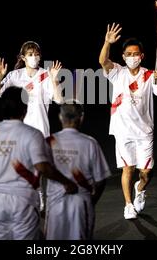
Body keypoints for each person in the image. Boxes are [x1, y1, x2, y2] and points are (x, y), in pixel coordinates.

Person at [0, 86, 78, 240]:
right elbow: (42, 167)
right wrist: (66, 182)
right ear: (25, 108)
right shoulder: (32, 134)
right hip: (23, 201)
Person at [99, 23, 157, 220]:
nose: (132, 57)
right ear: (123, 57)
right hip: (122, 130)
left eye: (135, 54)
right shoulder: (117, 72)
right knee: (127, 168)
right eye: (128, 54)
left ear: (142, 56)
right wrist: (107, 42)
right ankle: (128, 205)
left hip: (144, 131)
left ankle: (140, 188)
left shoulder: (149, 75)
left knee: (146, 173)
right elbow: (103, 61)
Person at [0, 41, 63, 211]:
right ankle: (30, 196)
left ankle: (39, 196)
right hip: (20, 129)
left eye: (36, 54)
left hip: (40, 128)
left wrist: (54, 80)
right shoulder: (15, 76)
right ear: (23, 57)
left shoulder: (46, 74)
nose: (34, 57)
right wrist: (0, 76)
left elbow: (59, 99)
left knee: (39, 167)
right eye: (30, 54)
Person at [45, 102, 111, 240]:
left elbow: (39, 171)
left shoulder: (49, 142)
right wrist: (91, 200)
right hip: (81, 204)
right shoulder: (90, 143)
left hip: (55, 205)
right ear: (81, 118)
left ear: (60, 117)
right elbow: (101, 179)